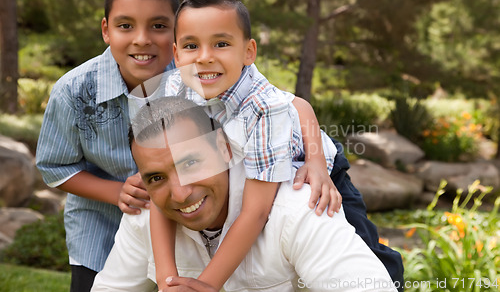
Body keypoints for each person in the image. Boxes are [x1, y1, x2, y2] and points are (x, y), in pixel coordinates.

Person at [143, 0, 403, 291]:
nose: (204, 57)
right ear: (176, 55)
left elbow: (256, 212)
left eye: (221, 43)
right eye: (191, 46)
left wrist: (316, 161)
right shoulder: (175, 87)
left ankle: (392, 280)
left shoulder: (263, 108)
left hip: (312, 162)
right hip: (247, 160)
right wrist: (167, 281)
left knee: (358, 244)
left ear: (248, 52)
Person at [92, 96, 398, 292]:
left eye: (191, 163)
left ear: (225, 150)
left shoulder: (297, 206)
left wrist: (316, 162)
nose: (181, 193)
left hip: (321, 167)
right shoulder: (147, 210)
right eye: (156, 177)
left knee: (381, 262)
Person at [35, 0, 179, 291]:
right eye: (125, 25)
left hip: (177, 226)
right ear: (106, 30)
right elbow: (55, 167)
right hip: (98, 229)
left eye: (158, 26)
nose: (142, 40)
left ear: (176, 31)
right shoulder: (73, 90)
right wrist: (117, 193)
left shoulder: (192, 83)